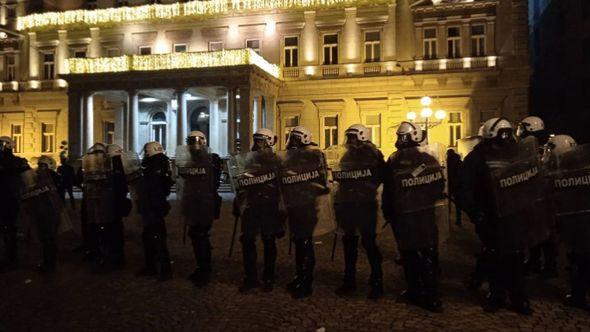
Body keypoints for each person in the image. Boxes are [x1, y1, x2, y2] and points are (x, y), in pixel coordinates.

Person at [459, 117, 543, 315]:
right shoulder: (478, 157)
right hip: (490, 215)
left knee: (515, 257)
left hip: (514, 214)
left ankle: (518, 297)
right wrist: (474, 211)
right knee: (496, 256)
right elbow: (464, 187)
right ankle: (497, 296)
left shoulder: (517, 155)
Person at [382, 121, 445, 313]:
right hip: (413, 213)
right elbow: (389, 188)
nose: (400, 140)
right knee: (413, 253)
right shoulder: (399, 159)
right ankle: (419, 291)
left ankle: (428, 295)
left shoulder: (414, 159)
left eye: (403, 136)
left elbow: (437, 185)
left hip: (415, 213)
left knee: (421, 254)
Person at [332, 124, 384, 299]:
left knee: (369, 243)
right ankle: (349, 280)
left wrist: (363, 187)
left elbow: (380, 177)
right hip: (348, 204)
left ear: (361, 136)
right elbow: (341, 176)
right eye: (349, 137)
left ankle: (377, 281)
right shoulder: (347, 155)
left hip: (365, 204)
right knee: (349, 243)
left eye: (352, 137)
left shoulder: (374, 154)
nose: (349, 141)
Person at [231, 128, 284, 293]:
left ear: (268, 141)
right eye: (256, 140)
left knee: (269, 241)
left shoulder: (276, 161)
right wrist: (237, 201)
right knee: (247, 241)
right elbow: (242, 183)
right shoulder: (249, 160)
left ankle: (269, 277)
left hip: (269, 206)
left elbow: (282, 186)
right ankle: (251, 277)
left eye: (260, 141)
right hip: (252, 206)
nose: (256, 144)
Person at [280, 126, 329, 299]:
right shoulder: (289, 157)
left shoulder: (314, 155)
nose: (293, 142)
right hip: (294, 205)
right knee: (299, 242)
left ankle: (306, 282)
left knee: (305, 242)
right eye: (292, 138)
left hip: (307, 206)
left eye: (296, 139)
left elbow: (321, 183)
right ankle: (299, 276)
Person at [543, 135, 590, 310]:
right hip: (581, 221)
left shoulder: (558, 172)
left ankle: (578, 296)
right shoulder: (584, 167)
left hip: (575, 223)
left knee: (577, 260)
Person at [176, 131, 222, 287]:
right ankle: (201, 267)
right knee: (195, 235)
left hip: (205, 202)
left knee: (201, 235)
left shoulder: (212, 159)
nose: (193, 145)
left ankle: (205, 270)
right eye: (190, 142)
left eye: (195, 141)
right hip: (192, 202)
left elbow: (213, 182)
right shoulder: (187, 160)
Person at [516, 116, 557, 279]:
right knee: (536, 231)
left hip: (542, 195)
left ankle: (547, 265)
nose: (519, 131)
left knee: (543, 233)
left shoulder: (540, 148)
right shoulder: (534, 146)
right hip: (537, 195)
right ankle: (537, 262)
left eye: (522, 128)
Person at [82, 142, 130, 269]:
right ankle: (116, 258)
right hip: (115, 205)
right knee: (115, 233)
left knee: (111, 233)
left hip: (110, 206)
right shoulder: (121, 168)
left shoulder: (112, 170)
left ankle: (112, 258)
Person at [135, 141, 173, 281]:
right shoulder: (162, 164)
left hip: (152, 207)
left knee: (156, 239)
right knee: (152, 237)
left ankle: (162, 269)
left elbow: (152, 189)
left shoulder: (152, 167)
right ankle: (155, 267)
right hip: (156, 206)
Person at [20, 156, 62, 273]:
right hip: (48, 213)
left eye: (42, 166)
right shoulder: (49, 178)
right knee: (48, 240)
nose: (40, 169)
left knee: (48, 240)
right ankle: (48, 263)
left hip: (48, 213)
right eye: (39, 166)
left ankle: (49, 265)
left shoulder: (46, 179)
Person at [0, 136, 29, 272]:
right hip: (11, 200)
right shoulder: (18, 162)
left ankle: (10, 256)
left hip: (9, 199)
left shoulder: (15, 162)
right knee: (10, 229)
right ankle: (11, 256)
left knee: (9, 229)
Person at [446, 149, 463, 226]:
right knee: (458, 203)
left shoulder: (448, 162)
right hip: (458, 185)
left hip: (449, 185)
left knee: (447, 202)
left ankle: (447, 219)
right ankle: (458, 219)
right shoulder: (459, 162)